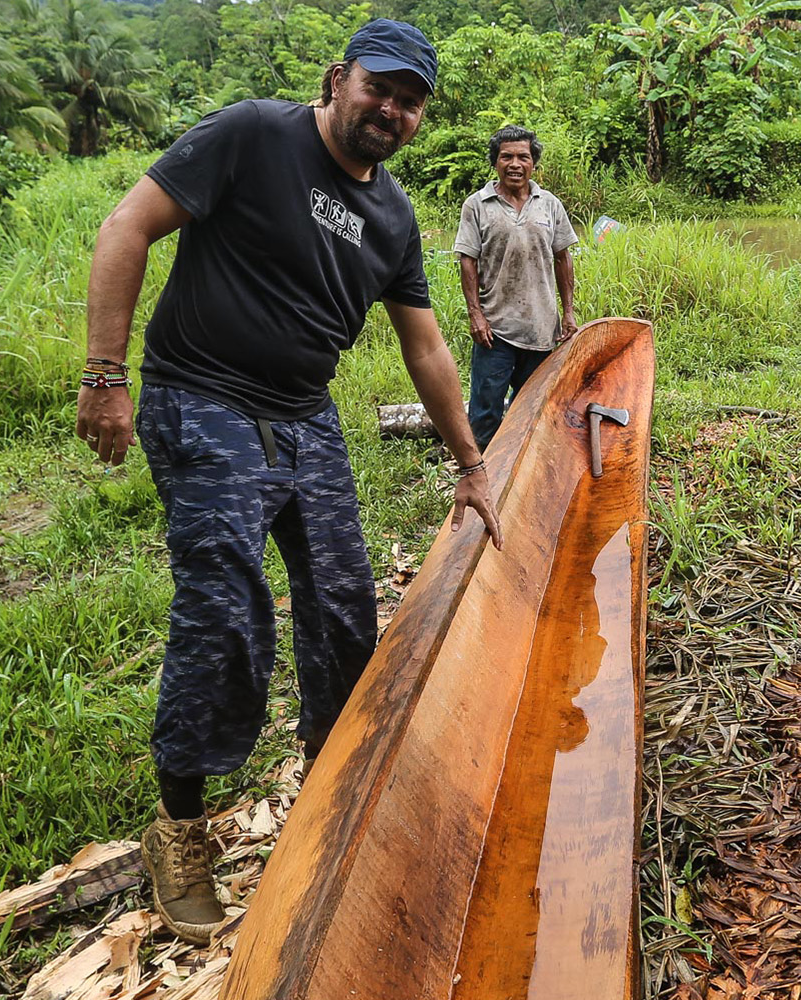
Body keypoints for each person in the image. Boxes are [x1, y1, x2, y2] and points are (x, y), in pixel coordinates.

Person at [72, 19, 502, 945]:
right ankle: (180, 829)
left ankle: (330, 789)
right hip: (202, 396)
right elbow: (127, 226)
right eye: (379, 87)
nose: (391, 109)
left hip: (307, 418)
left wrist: (472, 464)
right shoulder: (253, 134)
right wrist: (106, 373)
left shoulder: (392, 217)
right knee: (226, 607)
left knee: (346, 611)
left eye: (411, 100)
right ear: (337, 78)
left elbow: (424, 344)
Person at [455, 125, 579, 449]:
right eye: (506, 156)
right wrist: (476, 315)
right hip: (495, 331)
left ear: (533, 163)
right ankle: (483, 477)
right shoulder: (477, 205)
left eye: (522, 157)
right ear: (495, 162)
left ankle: (523, 479)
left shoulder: (549, 204)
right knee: (485, 413)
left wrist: (568, 313)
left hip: (541, 330)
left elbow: (563, 258)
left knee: (533, 411)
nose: (514, 163)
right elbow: (467, 260)